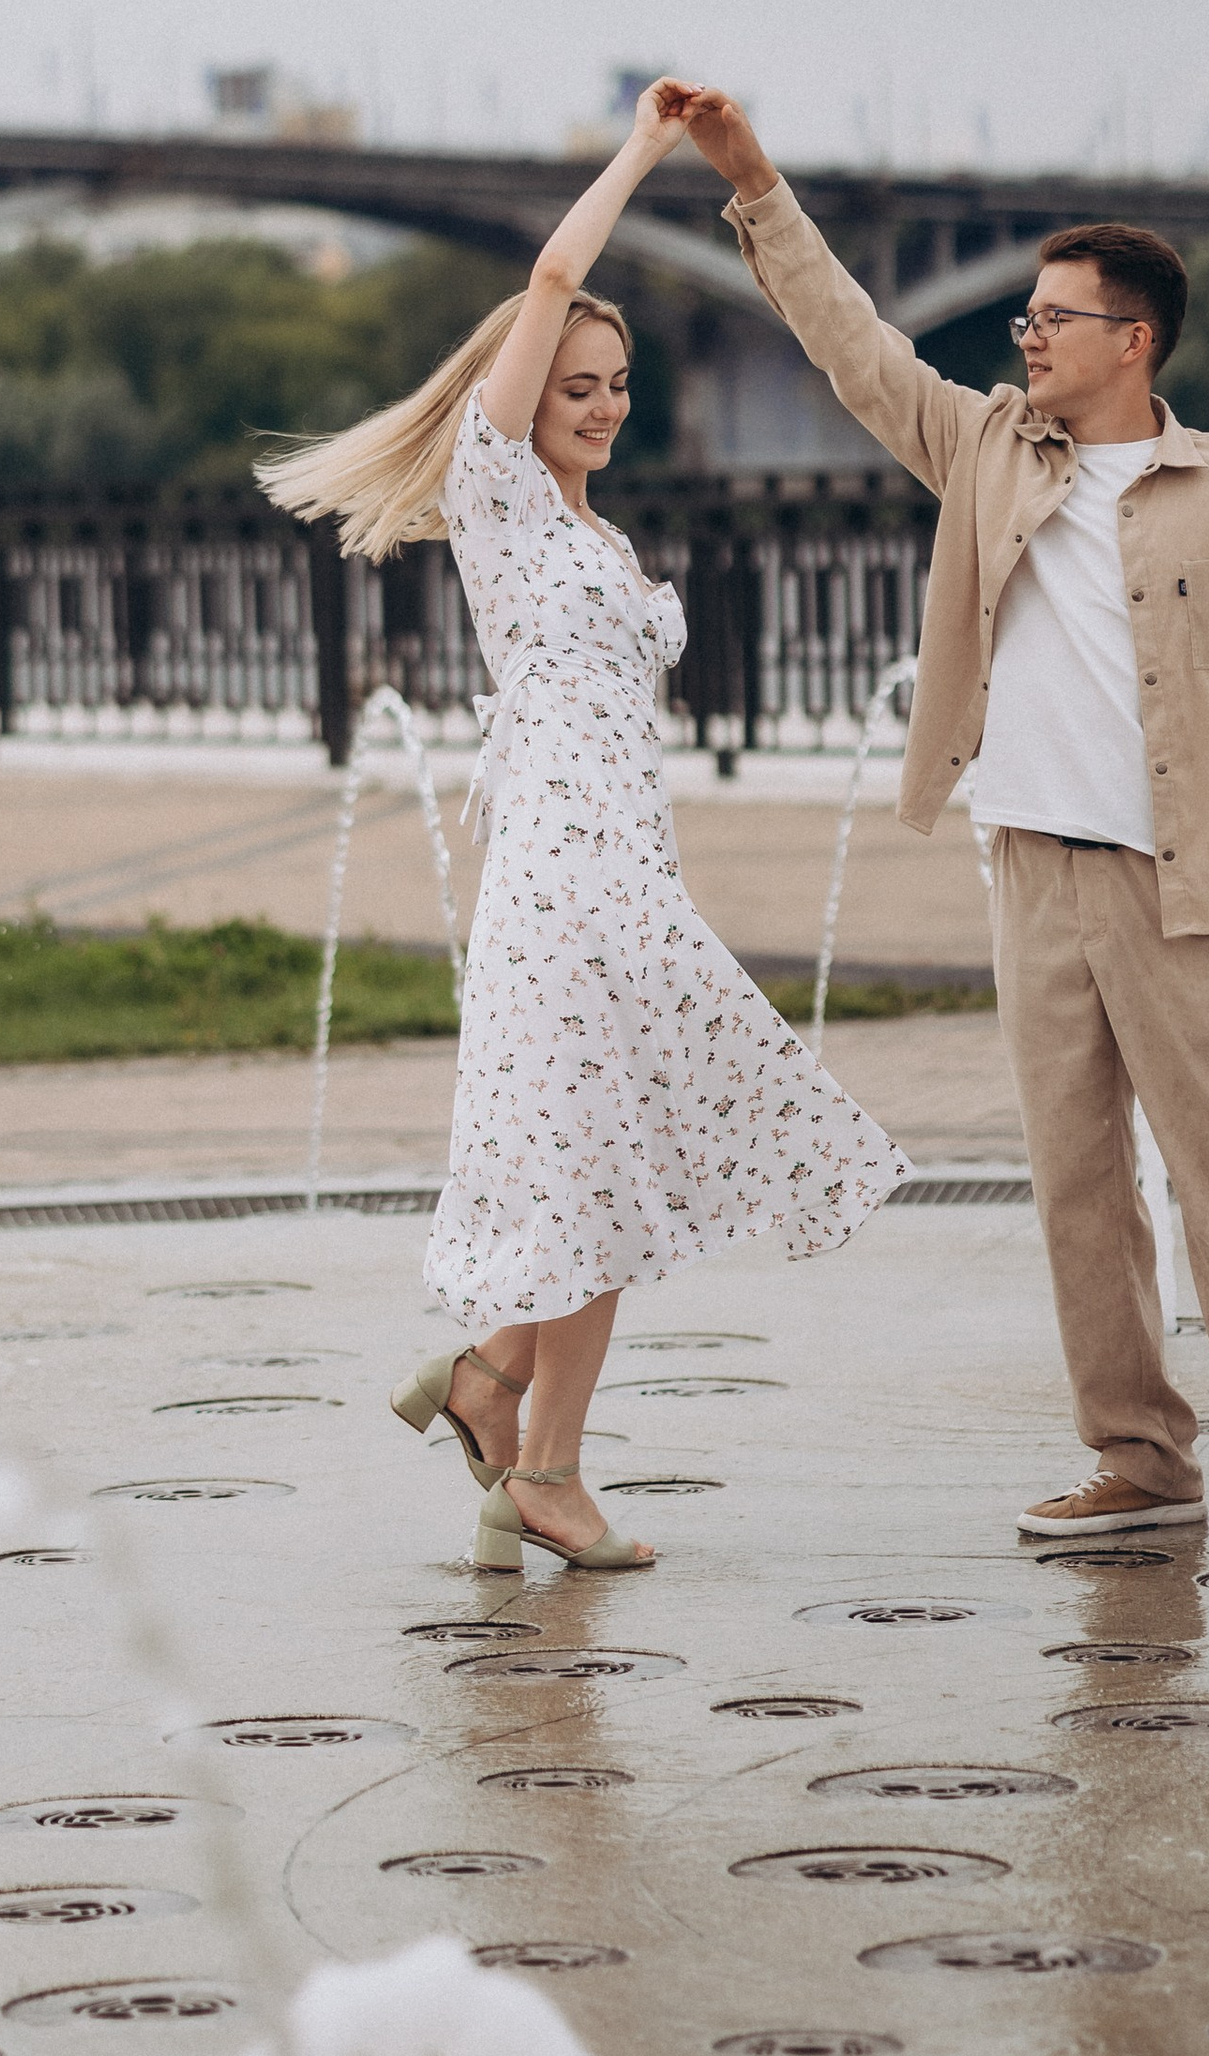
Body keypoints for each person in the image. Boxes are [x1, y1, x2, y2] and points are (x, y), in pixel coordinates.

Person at [657, 82, 1209, 1562]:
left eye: (1054, 317)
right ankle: (1138, 1458)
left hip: (1190, 884)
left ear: (1132, 340)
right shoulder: (986, 451)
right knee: (1081, 1196)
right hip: (1032, 869)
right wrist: (754, 181)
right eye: (1027, 314)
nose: (1027, 335)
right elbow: (853, 345)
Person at [258, 86, 906, 1580]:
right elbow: (554, 274)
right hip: (563, 881)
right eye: (575, 387)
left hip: (621, 873)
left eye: (617, 386)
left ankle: (500, 1395)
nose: (602, 406)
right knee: (602, 1170)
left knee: (596, 1164)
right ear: (522, 394)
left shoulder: (597, 533)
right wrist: (645, 150)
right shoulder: (497, 500)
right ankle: (531, 1448)